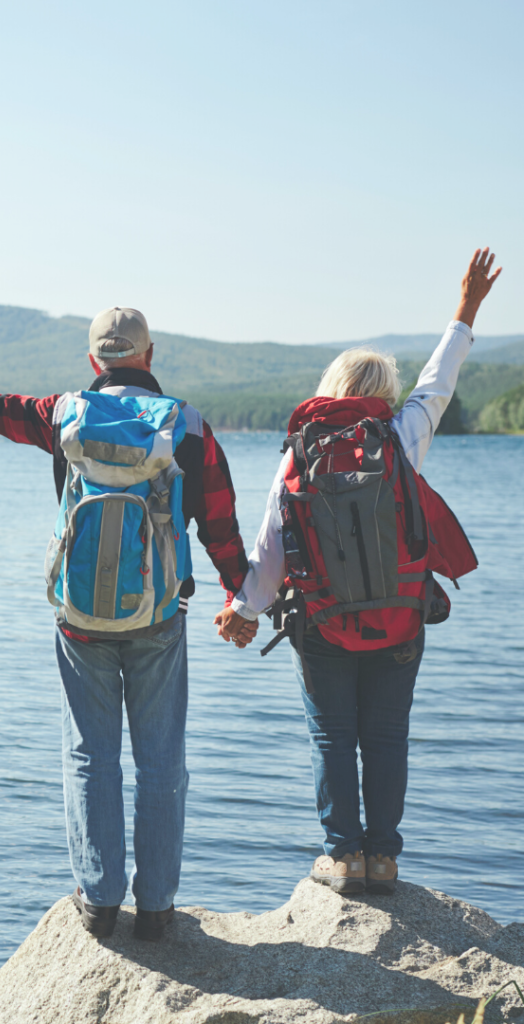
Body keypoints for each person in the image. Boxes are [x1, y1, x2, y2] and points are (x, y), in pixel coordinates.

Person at [0, 307, 256, 941]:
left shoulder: (63, 412)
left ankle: (98, 901)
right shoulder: (188, 426)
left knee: (89, 756)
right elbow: (222, 526)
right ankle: (156, 909)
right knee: (161, 762)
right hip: (159, 616)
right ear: (150, 358)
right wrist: (243, 598)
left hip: (79, 617)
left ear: (94, 361)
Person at [216, 249, 502, 895]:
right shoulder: (400, 437)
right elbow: (440, 380)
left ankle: (343, 857)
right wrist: (466, 307)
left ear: (331, 388)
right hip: (400, 618)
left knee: (332, 738)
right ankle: (385, 859)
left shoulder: (301, 451)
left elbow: (270, 543)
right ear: (384, 397)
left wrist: (243, 611)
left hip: (320, 622)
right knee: (388, 738)